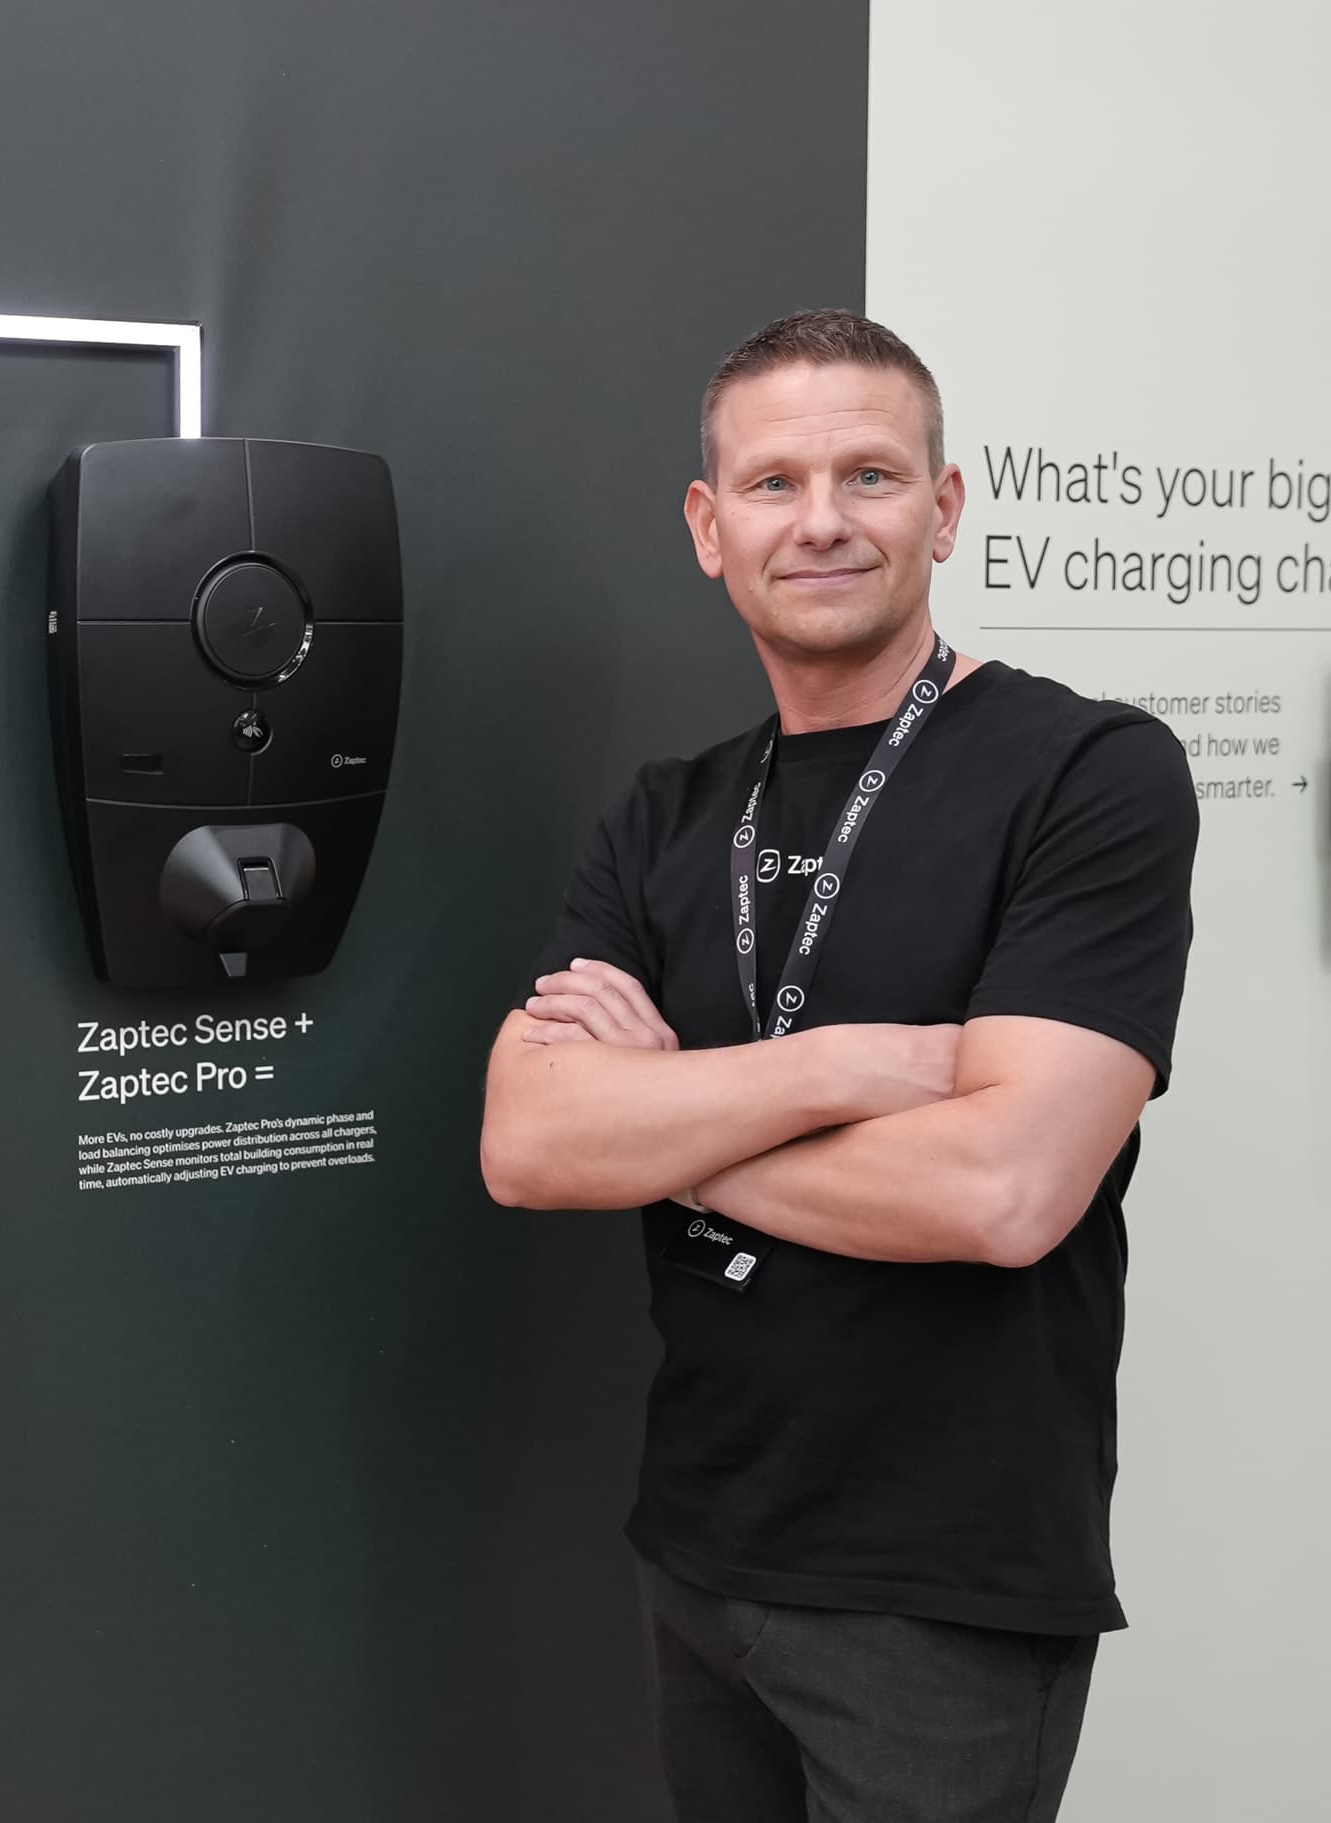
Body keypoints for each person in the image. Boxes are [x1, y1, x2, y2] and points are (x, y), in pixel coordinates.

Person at [479, 310, 1199, 1823]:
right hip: (699, 1539)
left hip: (941, 1580)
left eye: (870, 477)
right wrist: (844, 1070)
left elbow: (1006, 1190)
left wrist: (670, 1114)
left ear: (941, 508)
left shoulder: (1089, 776)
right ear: (707, 524)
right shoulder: (665, 814)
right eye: (772, 482)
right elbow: (529, 1145)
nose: (819, 521)